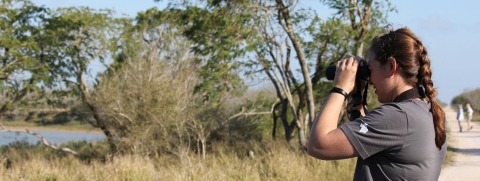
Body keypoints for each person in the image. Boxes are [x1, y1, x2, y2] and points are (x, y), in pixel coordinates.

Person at [307, 27, 447, 180]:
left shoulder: (397, 116)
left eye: (370, 70)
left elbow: (318, 145)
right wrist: (357, 94)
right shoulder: (424, 111)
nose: (370, 79)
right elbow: (372, 133)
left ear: (391, 66)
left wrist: (340, 88)